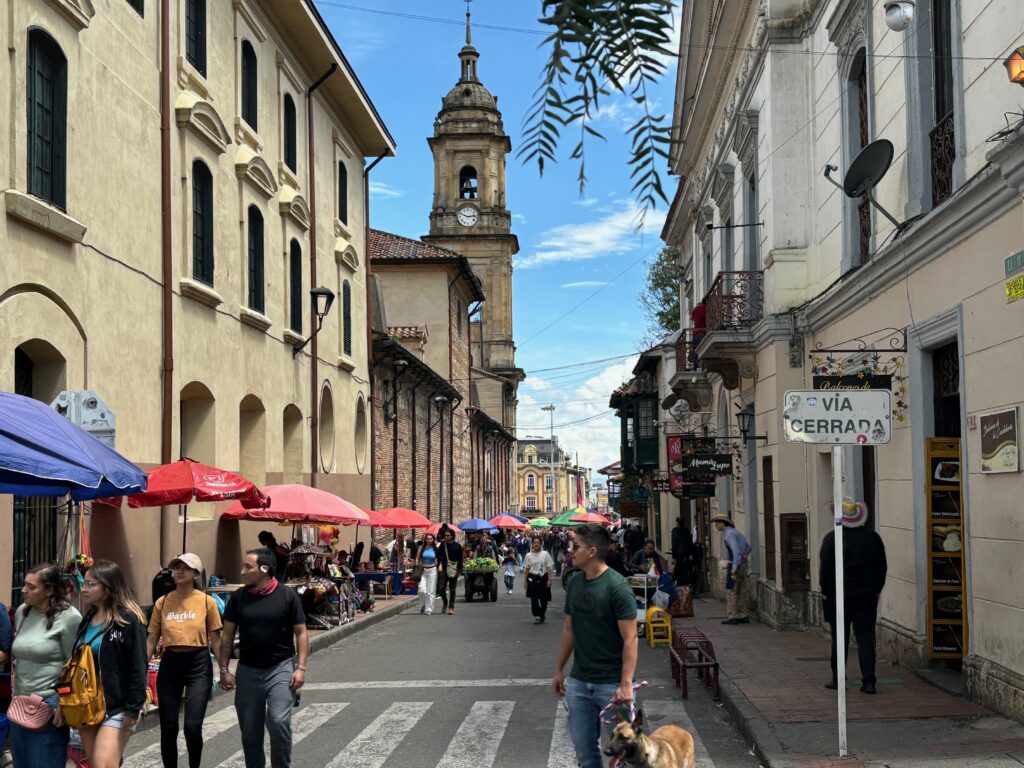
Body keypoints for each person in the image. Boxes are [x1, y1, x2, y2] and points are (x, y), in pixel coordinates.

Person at [553, 524, 638, 768]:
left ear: (591, 552)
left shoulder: (618, 587)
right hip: (579, 681)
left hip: (611, 684)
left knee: (621, 755)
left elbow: (630, 638)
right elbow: (570, 628)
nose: (571, 550)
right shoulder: (576, 584)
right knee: (584, 751)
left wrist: (625, 684)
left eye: (576, 546)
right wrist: (559, 669)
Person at [218, 548, 308, 768]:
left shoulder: (287, 595)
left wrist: (301, 667)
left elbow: (301, 633)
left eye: (248, 567)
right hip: (248, 670)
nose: (242, 571)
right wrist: (224, 670)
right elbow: (227, 636)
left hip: (280, 667)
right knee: (250, 730)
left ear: (264, 569)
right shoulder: (238, 598)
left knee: (278, 722)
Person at [147, 553, 223, 768]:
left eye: (185, 568)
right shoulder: (162, 602)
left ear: (196, 574)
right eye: (176, 567)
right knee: (168, 726)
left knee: (192, 726)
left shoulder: (207, 602)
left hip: (198, 663)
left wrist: (224, 669)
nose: (179, 571)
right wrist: (141, 668)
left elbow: (215, 640)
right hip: (170, 664)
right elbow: (152, 638)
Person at [75, 560, 148, 768]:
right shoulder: (88, 618)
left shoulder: (127, 620)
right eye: (84, 583)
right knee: (97, 763)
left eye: (91, 584)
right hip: (88, 704)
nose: (84, 589)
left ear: (108, 588)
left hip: (118, 705)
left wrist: (134, 708)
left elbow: (138, 665)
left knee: (102, 764)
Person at [9, 564, 81, 768]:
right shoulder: (24, 612)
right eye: (24, 585)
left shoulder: (69, 617)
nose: (24, 590)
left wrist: (62, 702)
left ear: (49, 590)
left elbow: (74, 666)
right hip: (19, 703)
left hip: (48, 705)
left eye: (31, 587)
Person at [819, 499, 887, 694]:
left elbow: (826, 570)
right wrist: (876, 588)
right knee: (865, 637)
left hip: (838, 595)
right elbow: (881, 566)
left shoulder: (832, 539)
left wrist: (825, 591)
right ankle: (869, 681)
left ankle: (838, 679)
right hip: (865, 594)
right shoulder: (873, 538)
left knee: (839, 638)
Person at [712, 513, 752, 625]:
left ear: (723, 523)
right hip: (743, 564)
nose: (716, 525)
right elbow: (749, 547)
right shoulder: (736, 532)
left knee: (731, 590)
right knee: (741, 590)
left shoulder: (728, 534)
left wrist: (734, 569)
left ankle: (732, 615)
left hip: (736, 564)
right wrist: (746, 554)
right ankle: (742, 614)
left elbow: (735, 551)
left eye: (717, 523)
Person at [523, 536, 554, 624]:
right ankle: (538, 615)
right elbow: (527, 569)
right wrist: (525, 581)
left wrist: (549, 579)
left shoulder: (545, 554)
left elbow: (549, 567)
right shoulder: (528, 555)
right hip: (532, 578)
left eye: (538, 542)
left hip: (543, 578)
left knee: (544, 599)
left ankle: (542, 613)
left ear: (541, 544)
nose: (536, 544)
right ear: (532, 544)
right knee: (534, 599)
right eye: (534, 542)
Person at [437, 527, 464, 615]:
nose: (446, 537)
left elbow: (460, 559)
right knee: (441, 589)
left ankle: (451, 607)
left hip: (454, 570)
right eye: (445, 535)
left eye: (448, 535)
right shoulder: (442, 545)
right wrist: (438, 566)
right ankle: (445, 602)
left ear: (452, 536)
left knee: (452, 589)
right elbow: (438, 557)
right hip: (444, 570)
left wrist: (459, 570)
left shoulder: (457, 546)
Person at [415, 533, 439, 615]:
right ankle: (423, 605)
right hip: (423, 570)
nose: (429, 540)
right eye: (427, 539)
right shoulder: (421, 548)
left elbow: (439, 559)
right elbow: (417, 559)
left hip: (432, 570)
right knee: (421, 590)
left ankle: (429, 609)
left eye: (430, 539)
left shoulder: (435, 548)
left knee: (430, 591)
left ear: (433, 540)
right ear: (425, 540)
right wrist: (417, 565)